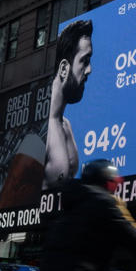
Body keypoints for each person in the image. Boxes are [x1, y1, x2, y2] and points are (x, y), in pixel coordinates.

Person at [44, 19, 94, 188]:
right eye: (84, 61)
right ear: (64, 69)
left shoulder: (66, 126)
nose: (89, 70)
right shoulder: (38, 133)